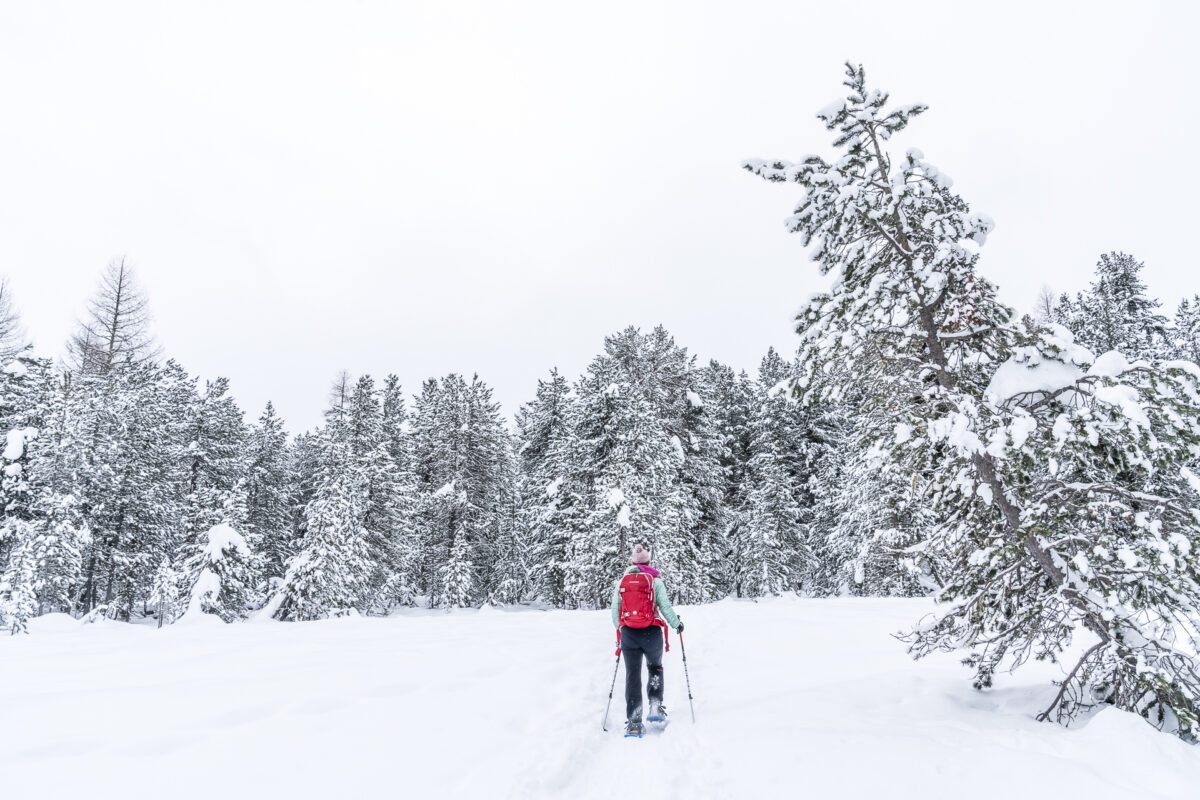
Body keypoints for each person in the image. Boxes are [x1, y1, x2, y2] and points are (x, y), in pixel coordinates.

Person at [610, 544, 683, 737]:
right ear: (648, 562)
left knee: (632, 675)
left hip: (629, 635)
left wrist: (621, 631)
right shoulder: (654, 581)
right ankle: (655, 707)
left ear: (632, 563)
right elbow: (665, 607)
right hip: (651, 633)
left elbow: (614, 611)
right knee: (655, 667)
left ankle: (634, 722)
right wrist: (677, 624)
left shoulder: (622, 582)